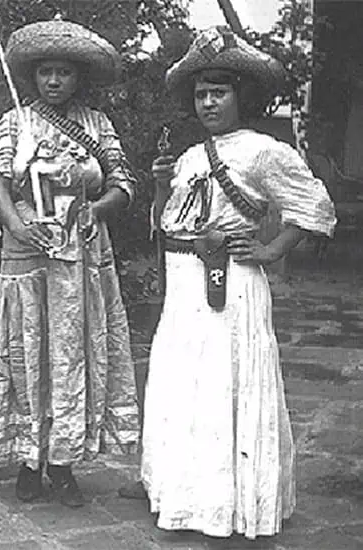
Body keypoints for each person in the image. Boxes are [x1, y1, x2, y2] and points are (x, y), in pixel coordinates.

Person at [137, 27, 336, 538]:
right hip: (184, 284)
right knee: (185, 385)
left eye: (219, 93)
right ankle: (183, 497)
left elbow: (314, 206)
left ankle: (233, 505)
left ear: (240, 97)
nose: (208, 103)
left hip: (232, 281)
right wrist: (162, 187)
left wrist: (270, 250)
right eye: (201, 94)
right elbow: (166, 224)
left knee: (227, 382)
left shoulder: (263, 151)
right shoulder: (187, 157)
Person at [0, 17, 140, 508]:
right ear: (31, 76)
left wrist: (97, 207)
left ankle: (64, 463)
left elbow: (123, 183)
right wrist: (16, 225)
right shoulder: (14, 122)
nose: (54, 81)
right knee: (28, 349)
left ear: (78, 78)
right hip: (27, 253)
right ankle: (29, 462)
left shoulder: (96, 124)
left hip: (81, 254)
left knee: (72, 352)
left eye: (64, 73)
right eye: (45, 72)